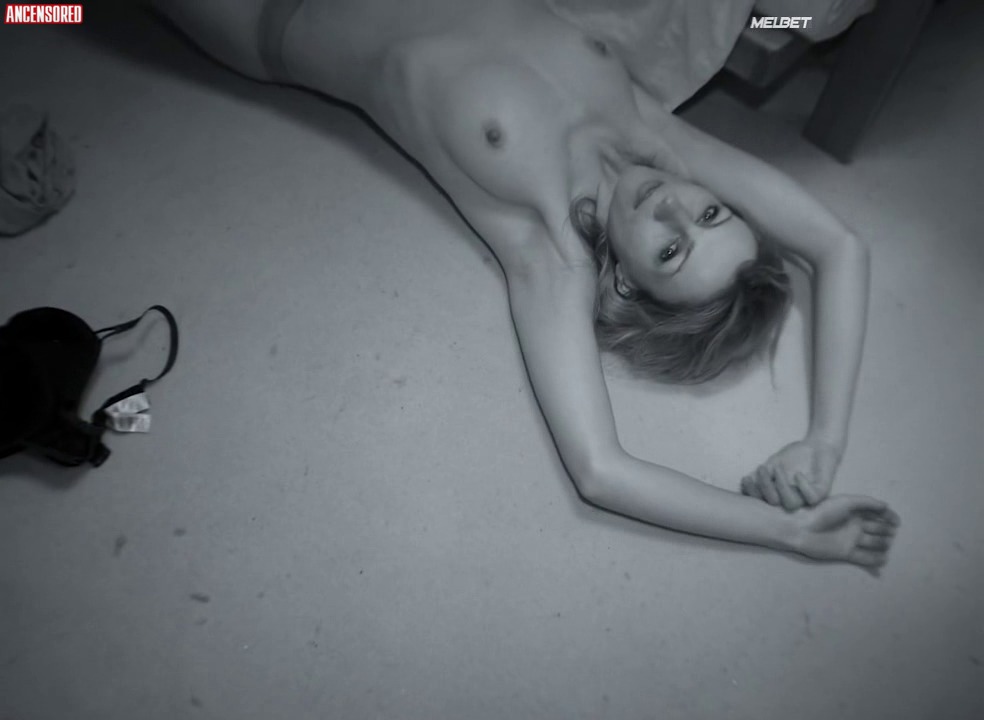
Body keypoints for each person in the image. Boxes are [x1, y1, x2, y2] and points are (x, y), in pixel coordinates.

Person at [150, 0, 900, 570]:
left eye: (671, 250)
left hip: (271, 14)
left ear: (626, 282)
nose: (673, 208)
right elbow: (839, 245)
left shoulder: (547, 244)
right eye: (711, 213)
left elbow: (601, 471)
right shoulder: (656, 138)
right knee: (790, 9)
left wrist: (789, 531)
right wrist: (825, 440)